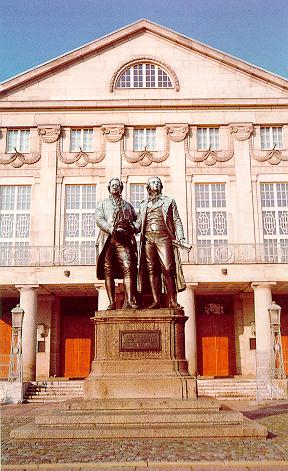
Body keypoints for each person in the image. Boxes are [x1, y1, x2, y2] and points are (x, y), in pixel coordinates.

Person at [136, 176, 187, 309]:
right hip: (148, 239)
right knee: (152, 270)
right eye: (153, 182)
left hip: (163, 237)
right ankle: (156, 300)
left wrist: (180, 237)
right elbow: (138, 224)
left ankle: (172, 301)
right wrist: (127, 226)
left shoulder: (169, 201)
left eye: (158, 183)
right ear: (148, 186)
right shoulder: (143, 204)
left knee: (168, 268)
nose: (156, 184)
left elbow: (177, 220)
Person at [95, 178, 138, 310]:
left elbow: (138, 222)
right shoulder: (102, 204)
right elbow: (99, 219)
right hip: (108, 239)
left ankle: (130, 300)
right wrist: (111, 229)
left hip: (123, 240)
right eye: (112, 185)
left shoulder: (127, 206)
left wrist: (132, 228)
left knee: (128, 267)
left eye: (117, 185)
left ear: (121, 188)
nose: (115, 187)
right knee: (108, 270)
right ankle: (111, 302)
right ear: (109, 188)